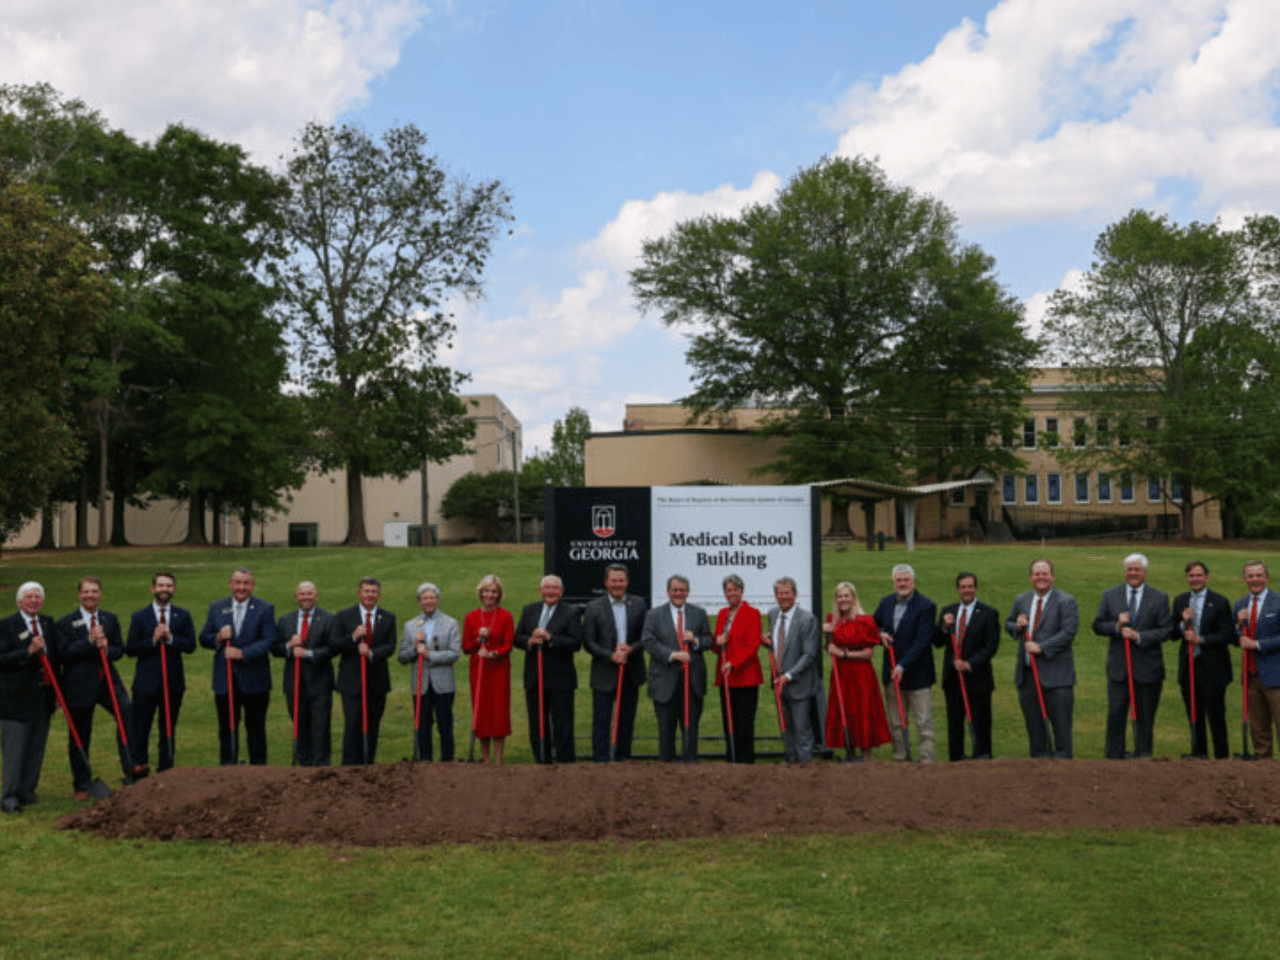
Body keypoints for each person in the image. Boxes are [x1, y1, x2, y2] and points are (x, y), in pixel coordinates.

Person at [56, 577, 142, 791]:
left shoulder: (109, 619)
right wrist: (88, 642)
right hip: (79, 685)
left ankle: (131, 769)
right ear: (79, 595)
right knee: (80, 733)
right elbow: (63, 654)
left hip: (107, 681)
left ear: (101, 595)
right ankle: (82, 783)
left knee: (127, 715)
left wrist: (106, 646)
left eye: (94, 591)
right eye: (86, 592)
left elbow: (118, 651)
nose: (90, 595)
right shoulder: (66, 622)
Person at [1092, 553, 1172, 758]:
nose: (1133, 573)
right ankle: (1114, 757)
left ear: (1145, 573)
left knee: (1145, 718)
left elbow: (1166, 631)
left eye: (1137, 570)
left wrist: (1139, 636)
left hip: (1148, 669)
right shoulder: (1111, 595)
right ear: (1124, 571)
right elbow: (1098, 625)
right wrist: (1116, 627)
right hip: (1119, 669)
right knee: (1116, 715)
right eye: (1129, 569)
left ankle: (1143, 757)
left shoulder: (1159, 597)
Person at [199, 567, 277, 765]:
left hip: (255, 680)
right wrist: (217, 637)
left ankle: (258, 768)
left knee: (256, 728)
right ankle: (228, 767)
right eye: (238, 583)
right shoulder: (217, 607)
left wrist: (243, 653)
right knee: (227, 727)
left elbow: (269, 640)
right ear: (230, 584)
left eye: (246, 583)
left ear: (253, 585)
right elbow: (203, 638)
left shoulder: (264, 608)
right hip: (225, 680)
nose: (241, 587)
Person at [125, 571, 197, 775]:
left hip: (172, 682)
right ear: (153, 588)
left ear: (173, 589)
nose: (164, 589)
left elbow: (191, 645)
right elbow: (130, 648)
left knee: (167, 726)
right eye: (160, 585)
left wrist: (171, 638)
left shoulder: (182, 616)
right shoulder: (140, 616)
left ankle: (166, 767)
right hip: (146, 683)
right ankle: (139, 766)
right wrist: (153, 640)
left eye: (168, 586)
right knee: (141, 727)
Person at [1006, 558, 1078, 759]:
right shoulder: (1022, 600)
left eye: (1045, 574)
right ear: (1031, 578)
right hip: (1028, 678)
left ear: (1052, 577)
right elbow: (1009, 623)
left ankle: (1063, 771)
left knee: (1061, 730)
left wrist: (1041, 647)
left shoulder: (1066, 601)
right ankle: (1039, 771)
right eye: (1037, 574)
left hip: (1057, 678)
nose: (1041, 578)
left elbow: (1068, 632)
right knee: (1036, 732)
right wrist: (1017, 627)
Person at [0, 583, 59, 813]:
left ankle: (27, 790)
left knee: (36, 747)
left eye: (38, 596)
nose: (33, 600)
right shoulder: (6, 625)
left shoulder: (47, 623)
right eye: (28, 597)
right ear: (19, 601)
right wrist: (28, 651)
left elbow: (55, 661)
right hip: (14, 699)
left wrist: (54, 694)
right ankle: (9, 796)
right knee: (15, 750)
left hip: (41, 697)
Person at [641, 574, 711, 762]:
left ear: (687, 592)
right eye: (675, 590)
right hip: (664, 680)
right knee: (666, 727)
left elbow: (708, 640)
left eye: (682, 590)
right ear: (668, 592)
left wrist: (695, 640)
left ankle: (690, 761)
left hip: (692, 680)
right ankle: (667, 764)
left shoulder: (699, 613)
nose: (678, 593)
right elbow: (648, 641)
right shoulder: (654, 615)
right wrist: (672, 655)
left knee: (690, 725)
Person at [581, 563, 648, 762]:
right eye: (613, 581)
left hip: (631, 671)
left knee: (626, 720)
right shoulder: (594, 607)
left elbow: (646, 637)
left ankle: (622, 757)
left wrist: (631, 649)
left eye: (621, 580)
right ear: (606, 582)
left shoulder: (639, 604)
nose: (617, 584)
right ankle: (601, 760)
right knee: (601, 720)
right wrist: (610, 655)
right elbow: (589, 642)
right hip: (604, 672)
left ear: (627, 582)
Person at [932, 571, 1000, 761]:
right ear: (958, 589)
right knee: (955, 723)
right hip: (953, 679)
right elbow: (937, 642)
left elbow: (991, 647)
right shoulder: (948, 611)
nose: (966, 590)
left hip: (978, 678)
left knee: (981, 722)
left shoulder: (988, 613)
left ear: (976, 588)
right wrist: (944, 628)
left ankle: (982, 756)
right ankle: (956, 759)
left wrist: (969, 664)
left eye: (970, 586)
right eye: (963, 587)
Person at [872, 564, 937, 762]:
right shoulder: (886, 602)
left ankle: (926, 760)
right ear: (893, 583)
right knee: (897, 721)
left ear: (913, 582)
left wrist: (903, 665)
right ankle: (901, 759)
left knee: (923, 721)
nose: (902, 584)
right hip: (892, 674)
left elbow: (922, 641)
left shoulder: (926, 606)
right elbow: (873, 626)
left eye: (906, 580)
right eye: (898, 580)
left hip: (918, 674)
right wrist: (880, 634)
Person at [514, 574, 582, 763]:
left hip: (561, 678)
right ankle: (542, 760)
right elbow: (517, 637)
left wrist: (550, 638)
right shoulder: (530, 610)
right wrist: (530, 640)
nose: (551, 592)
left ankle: (565, 762)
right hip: (535, 678)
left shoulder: (571, 612)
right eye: (547, 588)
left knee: (563, 724)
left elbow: (576, 643)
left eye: (555, 588)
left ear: (561, 592)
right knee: (537, 724)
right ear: (541, 590)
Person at [1172, 561, 1235, 759]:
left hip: (1213, 667)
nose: (1195, 579)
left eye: (1199, 576)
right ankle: (1198, 753)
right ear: (1187, 578)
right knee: (1194, 712)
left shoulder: (1220, 602)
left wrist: (1202, 640)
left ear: (1206, 577)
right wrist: (1184, 623)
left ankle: (1221, 756)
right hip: (1189, 666)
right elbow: (1172, 633)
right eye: (1191, 576)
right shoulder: (1180, 601)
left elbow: (1227, 634)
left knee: (1215, 715)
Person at [331, 577, 396, 765]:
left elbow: (390, 646)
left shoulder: (388, 617)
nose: (370, 595)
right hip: (352, 682)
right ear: (360, 593)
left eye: (374, 592)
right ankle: (350, 767)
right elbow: (334, 643)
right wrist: (353, 638)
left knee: (373, 725)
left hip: (377, 682)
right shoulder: (345, 616)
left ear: (379, 595)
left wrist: (371, 653)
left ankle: (369, 765)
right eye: (366, 591)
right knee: (353, 725)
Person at [823, 581, 890, 760]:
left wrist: (843, 654)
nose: (843, 600)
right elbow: (829, 647)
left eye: (846, 596)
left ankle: (865, 756)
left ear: (853, 598)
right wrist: (826, 635)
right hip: (841, 674)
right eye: (839, 596)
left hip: (861, 674)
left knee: (862, 711)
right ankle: (850, 753)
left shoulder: (865, 620)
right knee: (845, 711)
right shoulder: (832, 620)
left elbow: (868, 653)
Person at [273, 581, 335, 766]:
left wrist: (308, 653)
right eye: (302, 594)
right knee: (300, 726)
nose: (306, 597)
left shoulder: (329, 619)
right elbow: (275, 649)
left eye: (310, 594)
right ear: (296, 597)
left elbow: (332, 648)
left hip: (320, 682)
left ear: (316, 597)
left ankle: (321, 765)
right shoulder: (285, 620)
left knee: (320, 726)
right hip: (295, 682)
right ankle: (303, 765)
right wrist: (288, 647)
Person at [398, 582, 461, 762]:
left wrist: (429, 655)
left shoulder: (450, 623)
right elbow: (403, 657)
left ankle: (447, 761)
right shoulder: (411, 626)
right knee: (422, 725)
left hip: (443, 683)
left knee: (444, 724)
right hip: (420, 684)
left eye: (432, 597)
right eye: (424, 598)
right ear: (419, 602)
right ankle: (425, 761)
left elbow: (454, 653)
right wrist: (414, 647)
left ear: (438, 600)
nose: (429, 601)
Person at [764, 576, 820, 763]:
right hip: (779, 682)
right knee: (785, 726)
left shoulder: (807, 619)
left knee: (801, 728)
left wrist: (789, 675)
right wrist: (768, 644)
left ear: (795, 594)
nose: (784, 597)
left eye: (787, 593)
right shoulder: (773, 614)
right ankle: (790, 763)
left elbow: (809, 654)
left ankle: (805, 767)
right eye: (780, 593)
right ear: (775, 596)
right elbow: (779, 645)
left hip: (799, 683)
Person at [462, 574, 514, 765]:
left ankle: (499, 760)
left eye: (494, 591)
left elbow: (508, 646)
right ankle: (485, 759)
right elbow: (466, 647)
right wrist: (478, 639)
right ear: (481, 592)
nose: (490, 595)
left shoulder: (506, 616)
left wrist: (492, 654)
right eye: (486, 591)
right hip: (479, 669)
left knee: (498, 711)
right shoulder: (472, 616)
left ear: (499, 594)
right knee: (481, 710)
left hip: (498, 669)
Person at [713, 573, 763, 764]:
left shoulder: (753, 613)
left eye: (735, 589)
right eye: (728, 590)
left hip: (745, 675)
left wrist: (734, 662)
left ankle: (745, 759)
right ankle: (731, 756)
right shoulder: (722, 614)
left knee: (744, 721)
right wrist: (717, 642)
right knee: (729, 720)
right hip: (726, 677)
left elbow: (753, 646)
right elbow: (718, 646)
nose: (731, 593)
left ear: (741, 591)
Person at [1235, 560, 1280, 758]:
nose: (1255, 580)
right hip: (1251, 675)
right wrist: (1238, 625)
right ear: (1245, 579)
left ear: (1267, 577)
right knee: (1259, 728)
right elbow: (1234, 636)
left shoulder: (1278, 601)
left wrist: (1258, 645)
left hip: (1275, 676)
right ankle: (1263, 770)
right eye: (1250, 576)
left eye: (1259, 575)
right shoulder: (1240, 604)